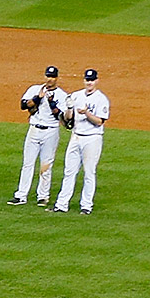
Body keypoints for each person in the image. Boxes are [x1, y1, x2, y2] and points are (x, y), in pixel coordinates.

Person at [54, 68, 109, 215]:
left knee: (89, 172)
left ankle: (86, 205)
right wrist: (70, 109)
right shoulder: (76, 96)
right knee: (69, 172)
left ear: (97, 81)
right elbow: (67, 119)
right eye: (87, 80)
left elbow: (99, 121)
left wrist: (86, 113)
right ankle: (61, 204)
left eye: (91, 80)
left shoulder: (101, 99)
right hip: (76, 136)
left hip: (92, 138)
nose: (89, 82)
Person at [10, 66, 66, 206]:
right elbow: (23, 105)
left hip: (51, 131)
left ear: (57, 78)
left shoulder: (62, 95)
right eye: (48, 76)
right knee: (27, 163)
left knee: (46, 165)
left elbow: (64, 118)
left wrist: (53, 105)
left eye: (52, 77)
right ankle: (21, 195)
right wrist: (37, 98)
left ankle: (43, 196)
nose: (49, 79)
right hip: (34, 130)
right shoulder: (35, 89)